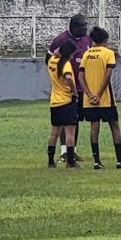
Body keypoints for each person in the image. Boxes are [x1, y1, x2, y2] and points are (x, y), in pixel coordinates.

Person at [78, 27, 121, 170]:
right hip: (105, 98)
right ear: (105, 40)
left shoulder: (86, 54)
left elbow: (80, 76)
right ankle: (119, 161)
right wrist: (99, 94)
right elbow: (108, 75)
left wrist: (88, 94)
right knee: (114, 126)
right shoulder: (108, 53)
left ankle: (97, 161)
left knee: (94, 127)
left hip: (89, 100)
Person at [46, 13, 91, 162]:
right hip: (68, 91)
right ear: (74, 27)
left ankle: (72, 152)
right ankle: (65, 153)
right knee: (67, 124)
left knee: (73, 121)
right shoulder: (60, 40)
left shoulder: (87, 39)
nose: (86, 28)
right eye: (83, 26)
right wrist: (61, 81)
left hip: (81, 87)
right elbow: (49, 60)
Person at [46, 40, 80, 169]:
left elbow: (54, 52)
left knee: (54, 132)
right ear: (70, 53)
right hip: (66, 100)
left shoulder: (52, 61)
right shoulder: (65, 64)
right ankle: (70, 161)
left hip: (55, 101)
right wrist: (74, 92)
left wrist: (58, 50)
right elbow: (69, 78)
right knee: (70, 132)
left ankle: (50, 161)